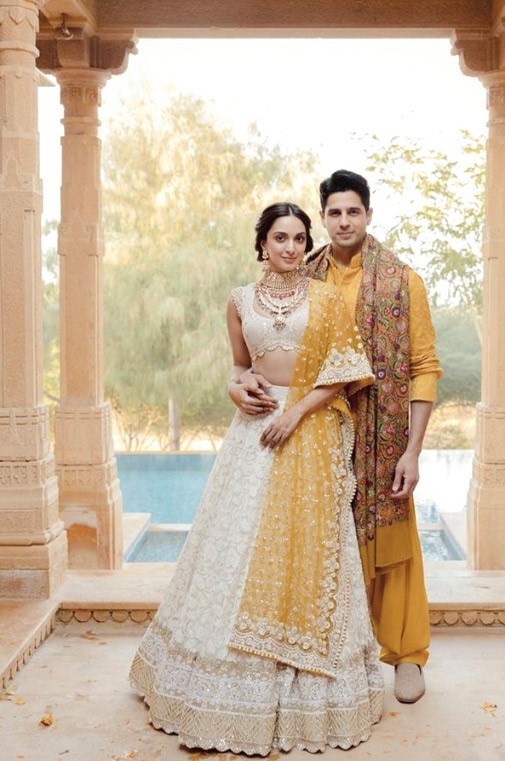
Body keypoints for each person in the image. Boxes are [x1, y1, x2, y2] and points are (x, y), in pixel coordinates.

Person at [129, 202, 383, 756]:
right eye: (279, 238)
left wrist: (293, 414)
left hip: (306, 429)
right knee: (234, 546)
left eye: (298, 238)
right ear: (262, 244)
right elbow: (238, 366)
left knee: (307, 552)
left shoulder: (327, 300)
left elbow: (343, 374)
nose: (290, 248)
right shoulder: (240, 301)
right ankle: (217, 690)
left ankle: (306, 696)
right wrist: (235, 389)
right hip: (252, 434)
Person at [230, 172, 442, 705]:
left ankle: (406, 654)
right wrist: (244, 383)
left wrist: (412, 450)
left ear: (368, 215)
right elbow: (259, 343)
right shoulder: (305, 271)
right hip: (317, 430)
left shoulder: (402, 280)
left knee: (392, 539)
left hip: (382, 429)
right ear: (322, 216)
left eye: (354, 212)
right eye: (334, 213)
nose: (343, 221)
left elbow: (423, 366)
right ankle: (337, 652)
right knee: (321, 542)